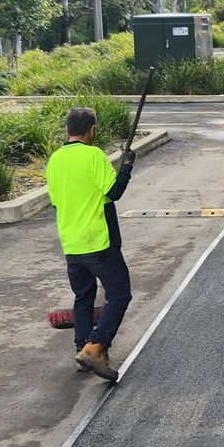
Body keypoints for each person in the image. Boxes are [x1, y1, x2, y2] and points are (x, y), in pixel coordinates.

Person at [45, 106, 134, 381]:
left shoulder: (55, 160)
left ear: (67, 130)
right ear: (92, 130)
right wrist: (127, 165)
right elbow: (114, 191)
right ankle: (96, 346)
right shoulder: (94, 155)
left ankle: (81, 349)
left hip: (71, 243)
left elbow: (57, 202)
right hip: (98, 240)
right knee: (119, 294)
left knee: (83, 296)